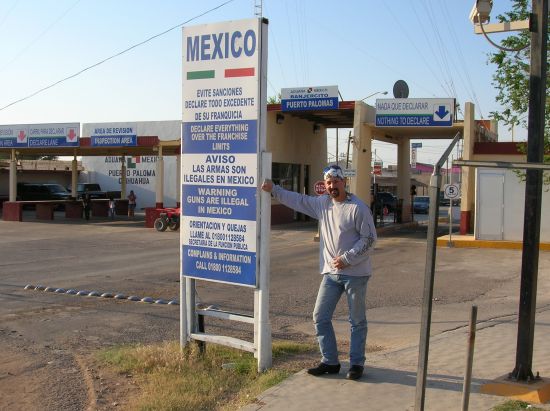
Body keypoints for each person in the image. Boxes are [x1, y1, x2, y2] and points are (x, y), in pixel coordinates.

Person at [261, 164, 376, 380]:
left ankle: (356, 365)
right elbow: (298, 200)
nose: (332, 185)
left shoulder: (358, 208)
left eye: (335, 181)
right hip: (331, 274)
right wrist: (274, 189)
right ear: (325, 184)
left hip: (356, 274)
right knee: (320, 317)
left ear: (344, 182)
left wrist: (347, 258)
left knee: (357, 320)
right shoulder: (322, 204)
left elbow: (370, 239)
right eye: (328, 182)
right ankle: (330, 362)